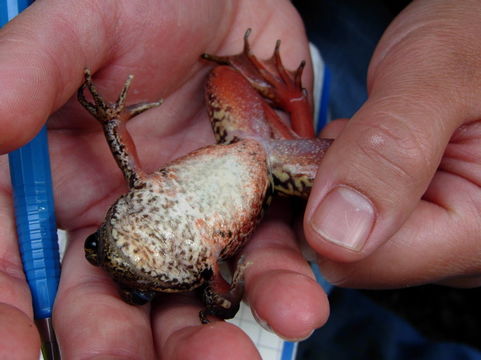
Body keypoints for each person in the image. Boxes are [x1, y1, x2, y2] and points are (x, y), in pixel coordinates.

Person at [0, 0, 480, 358]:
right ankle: (298, 102)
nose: (118, 265)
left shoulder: (142, 196)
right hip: (270, 166)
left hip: (248, 137)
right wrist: (226, 297)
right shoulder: (198, 265)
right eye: (136, 291)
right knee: (343, 176)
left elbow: (126, 155)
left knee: (223, 79)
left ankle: (302, 99)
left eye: (98, 251)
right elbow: (222, 296)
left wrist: (111, 117)